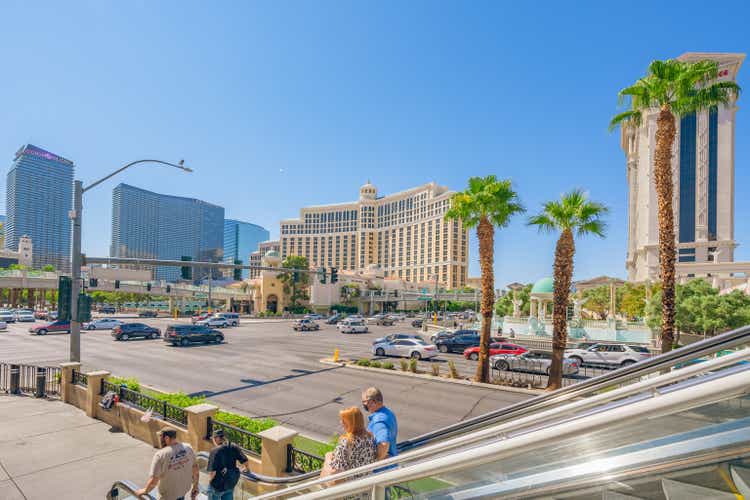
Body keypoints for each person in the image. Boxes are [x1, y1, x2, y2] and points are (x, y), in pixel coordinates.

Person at [137, 427, 199, 500]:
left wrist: (145, 491)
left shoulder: (160, 455)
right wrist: (195, 486)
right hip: (183, 492)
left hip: (168, 496)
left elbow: (154, 481)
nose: (159, 440)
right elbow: (196, 470)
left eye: (160, 437)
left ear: (166, 438)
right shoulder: (188, 448)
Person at [320, 407, 376, 481]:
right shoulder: (370, 437)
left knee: (328, 455)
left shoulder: (347, 442)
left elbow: (335, 472)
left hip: (348, 485)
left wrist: (327, 458)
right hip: (364, 482)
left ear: (352, 423)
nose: (341, 422)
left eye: (344, 421)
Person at [206, 429, 249, 500]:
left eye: (213, 439)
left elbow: (212, 472)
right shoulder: (234, 446)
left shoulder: (215, 450)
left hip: (217, 485)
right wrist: (247, 469)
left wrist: (210, 482)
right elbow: (245, 461)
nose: (213, 441)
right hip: (230, 484)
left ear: (217, 438)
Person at [361, 387, 398, 460]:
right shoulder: (388, 413)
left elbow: (384, 444)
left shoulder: (378, 422)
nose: (364, 405)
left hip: (383, 469)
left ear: (371, 402)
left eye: (364, 402)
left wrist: (375, 461)